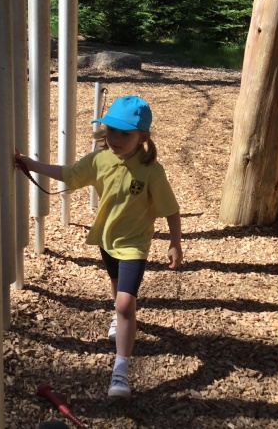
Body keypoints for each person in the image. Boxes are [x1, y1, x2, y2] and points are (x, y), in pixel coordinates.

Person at [15, 95, 183, 399]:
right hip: (106, 239)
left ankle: (121, 370)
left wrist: (175, 243)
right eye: (111, 130)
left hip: (134, 245)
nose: (115, 138)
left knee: (124, 303)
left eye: (125, 133)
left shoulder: (151, 172)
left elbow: (171, 209)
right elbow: (68, 174)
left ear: (143, 137)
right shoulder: (99, 160)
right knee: (117, 286)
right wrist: (30, 164)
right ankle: (119, 319)